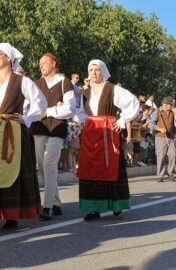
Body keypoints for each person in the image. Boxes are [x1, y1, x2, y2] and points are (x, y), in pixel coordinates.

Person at [77, 59, 139, 221]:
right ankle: (93, 209)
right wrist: (83, 121)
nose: (94, 73)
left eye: (97, 70)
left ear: (103, 72)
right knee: (90, 170)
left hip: (108, 133)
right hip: (91, 133)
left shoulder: (113, 89)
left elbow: (132, 103)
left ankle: (116, 204)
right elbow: (80, 113)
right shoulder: (84, 93)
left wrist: (120, 122)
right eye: (91, 70)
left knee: (111, 168)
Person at [0, 43, 47, 229]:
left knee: (14, 172)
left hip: (13, 131)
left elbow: (40, 103)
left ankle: (12, 215)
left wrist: (27, 118)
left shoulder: (21, 81)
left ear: (8, 58)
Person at [30, 52, 76, 220]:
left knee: (49, 164)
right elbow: (29, 107)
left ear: (54, 64)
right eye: (40, 63)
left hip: (57, 129)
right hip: (38, 128)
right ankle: (56, 202)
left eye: (44, 62)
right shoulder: (35, 84)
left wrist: (49, 111)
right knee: (42, 166)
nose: (41, 65)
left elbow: (70, 108)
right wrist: (55, 110)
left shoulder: (65, 83)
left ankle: (47, 206)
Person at [150, 96, 176, 182]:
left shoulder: (172, 113)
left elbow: (174, 126)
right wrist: (159, 129)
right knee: (161, 156)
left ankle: (170, 173)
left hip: (171, 138)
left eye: (170, 104)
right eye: (167, 104)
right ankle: (160, 175)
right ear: (163, 104)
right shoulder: (157, 112)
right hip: (160, 138)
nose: (169, 106)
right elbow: (151, 125)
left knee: (173, 155)